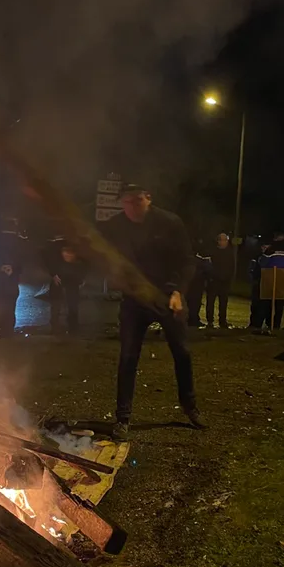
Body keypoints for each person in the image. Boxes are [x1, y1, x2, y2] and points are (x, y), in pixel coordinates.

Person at [99, 182, 205, 439]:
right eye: (126, 202)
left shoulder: (169, 223)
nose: (132, 207)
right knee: (128, 356)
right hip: (134, 300)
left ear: (148, 198)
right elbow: (102, 253)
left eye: (137, 200)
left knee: (182, 352)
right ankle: (123, 418)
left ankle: (190, 406)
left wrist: (178, 292)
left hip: (167, 297)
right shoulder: (115, 225)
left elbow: (187, 261)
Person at [0, 217, 26, 339]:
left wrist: (1, 267)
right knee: (7, 308)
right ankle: (5, 334)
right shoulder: (18, 238)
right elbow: (23, 256)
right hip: (6, 279)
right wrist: (11, 268)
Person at [44, 234, 89, 335]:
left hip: (68, 278)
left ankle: (66, 327)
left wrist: (54, 273)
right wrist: (54, 273)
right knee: (62, 304)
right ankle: (66, 327)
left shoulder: (57, 246)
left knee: (66, 304)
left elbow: (84, 262)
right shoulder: (59, 245)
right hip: (65, 277)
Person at [255, 235, 284, 331]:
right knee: (279, 304)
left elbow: (262, 263)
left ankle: (262, 324)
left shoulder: (270, 250)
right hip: (282, 280)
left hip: (269, 279)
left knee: (266, 303)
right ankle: (276, 325)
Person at [206, 232, 236, 328]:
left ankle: (222, 321)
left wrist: (229, 278)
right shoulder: (213, 252)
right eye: (222, 240)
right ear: (218, 241)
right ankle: (210, 321)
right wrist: (211, 277)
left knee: (223, 302)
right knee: (210, 301)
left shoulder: (229, 252)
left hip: (225, 282)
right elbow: (209, 266)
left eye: (225, 240)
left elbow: (232, 266)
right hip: (214, 281)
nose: (224, 242)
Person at [186, 251, 212, 327]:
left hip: (194, 285)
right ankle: (193, 319)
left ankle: (191, 319)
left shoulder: (194, 261)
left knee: (193, 303)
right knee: (194, 303)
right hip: (196, 285)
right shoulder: (200, 262)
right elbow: (208, 271)